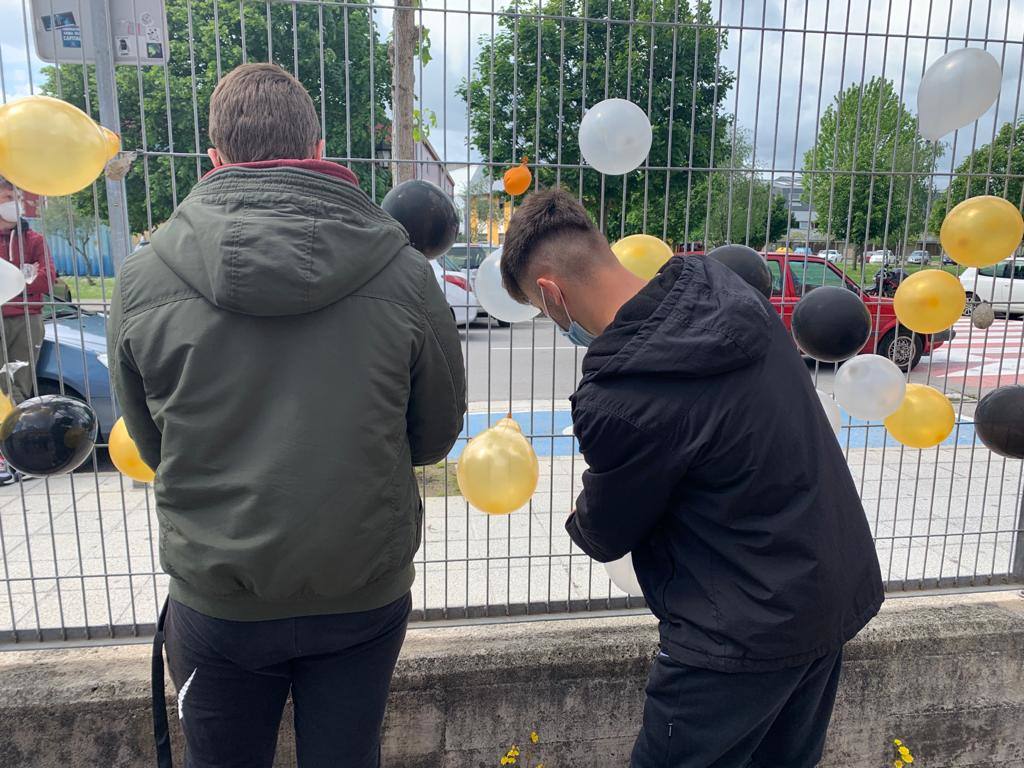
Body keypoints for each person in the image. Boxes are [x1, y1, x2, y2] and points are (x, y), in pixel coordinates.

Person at [107, 63, 467, 768]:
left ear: (214, 158)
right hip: (362, 590)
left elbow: (150, 443)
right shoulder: (401, 272)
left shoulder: (142, 278)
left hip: (219, 596)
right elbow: (435, 435)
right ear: (318, 146)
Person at [499, 189, 883, 768]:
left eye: (537, 306)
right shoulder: (724, 287)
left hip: (738, 630)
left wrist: (581, 516)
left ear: (552, 295)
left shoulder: (621, 393)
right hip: (828, 592)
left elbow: (609, 530)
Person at [0, 176, 57, 485]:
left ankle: (13, 455)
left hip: (26, 317)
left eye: (15, 195)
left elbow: (48, 279)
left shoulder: (32, 239)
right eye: (6, 196)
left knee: (19, 386)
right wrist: (27, 278)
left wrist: (21, 281)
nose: (13, 202)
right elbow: (35, 277)